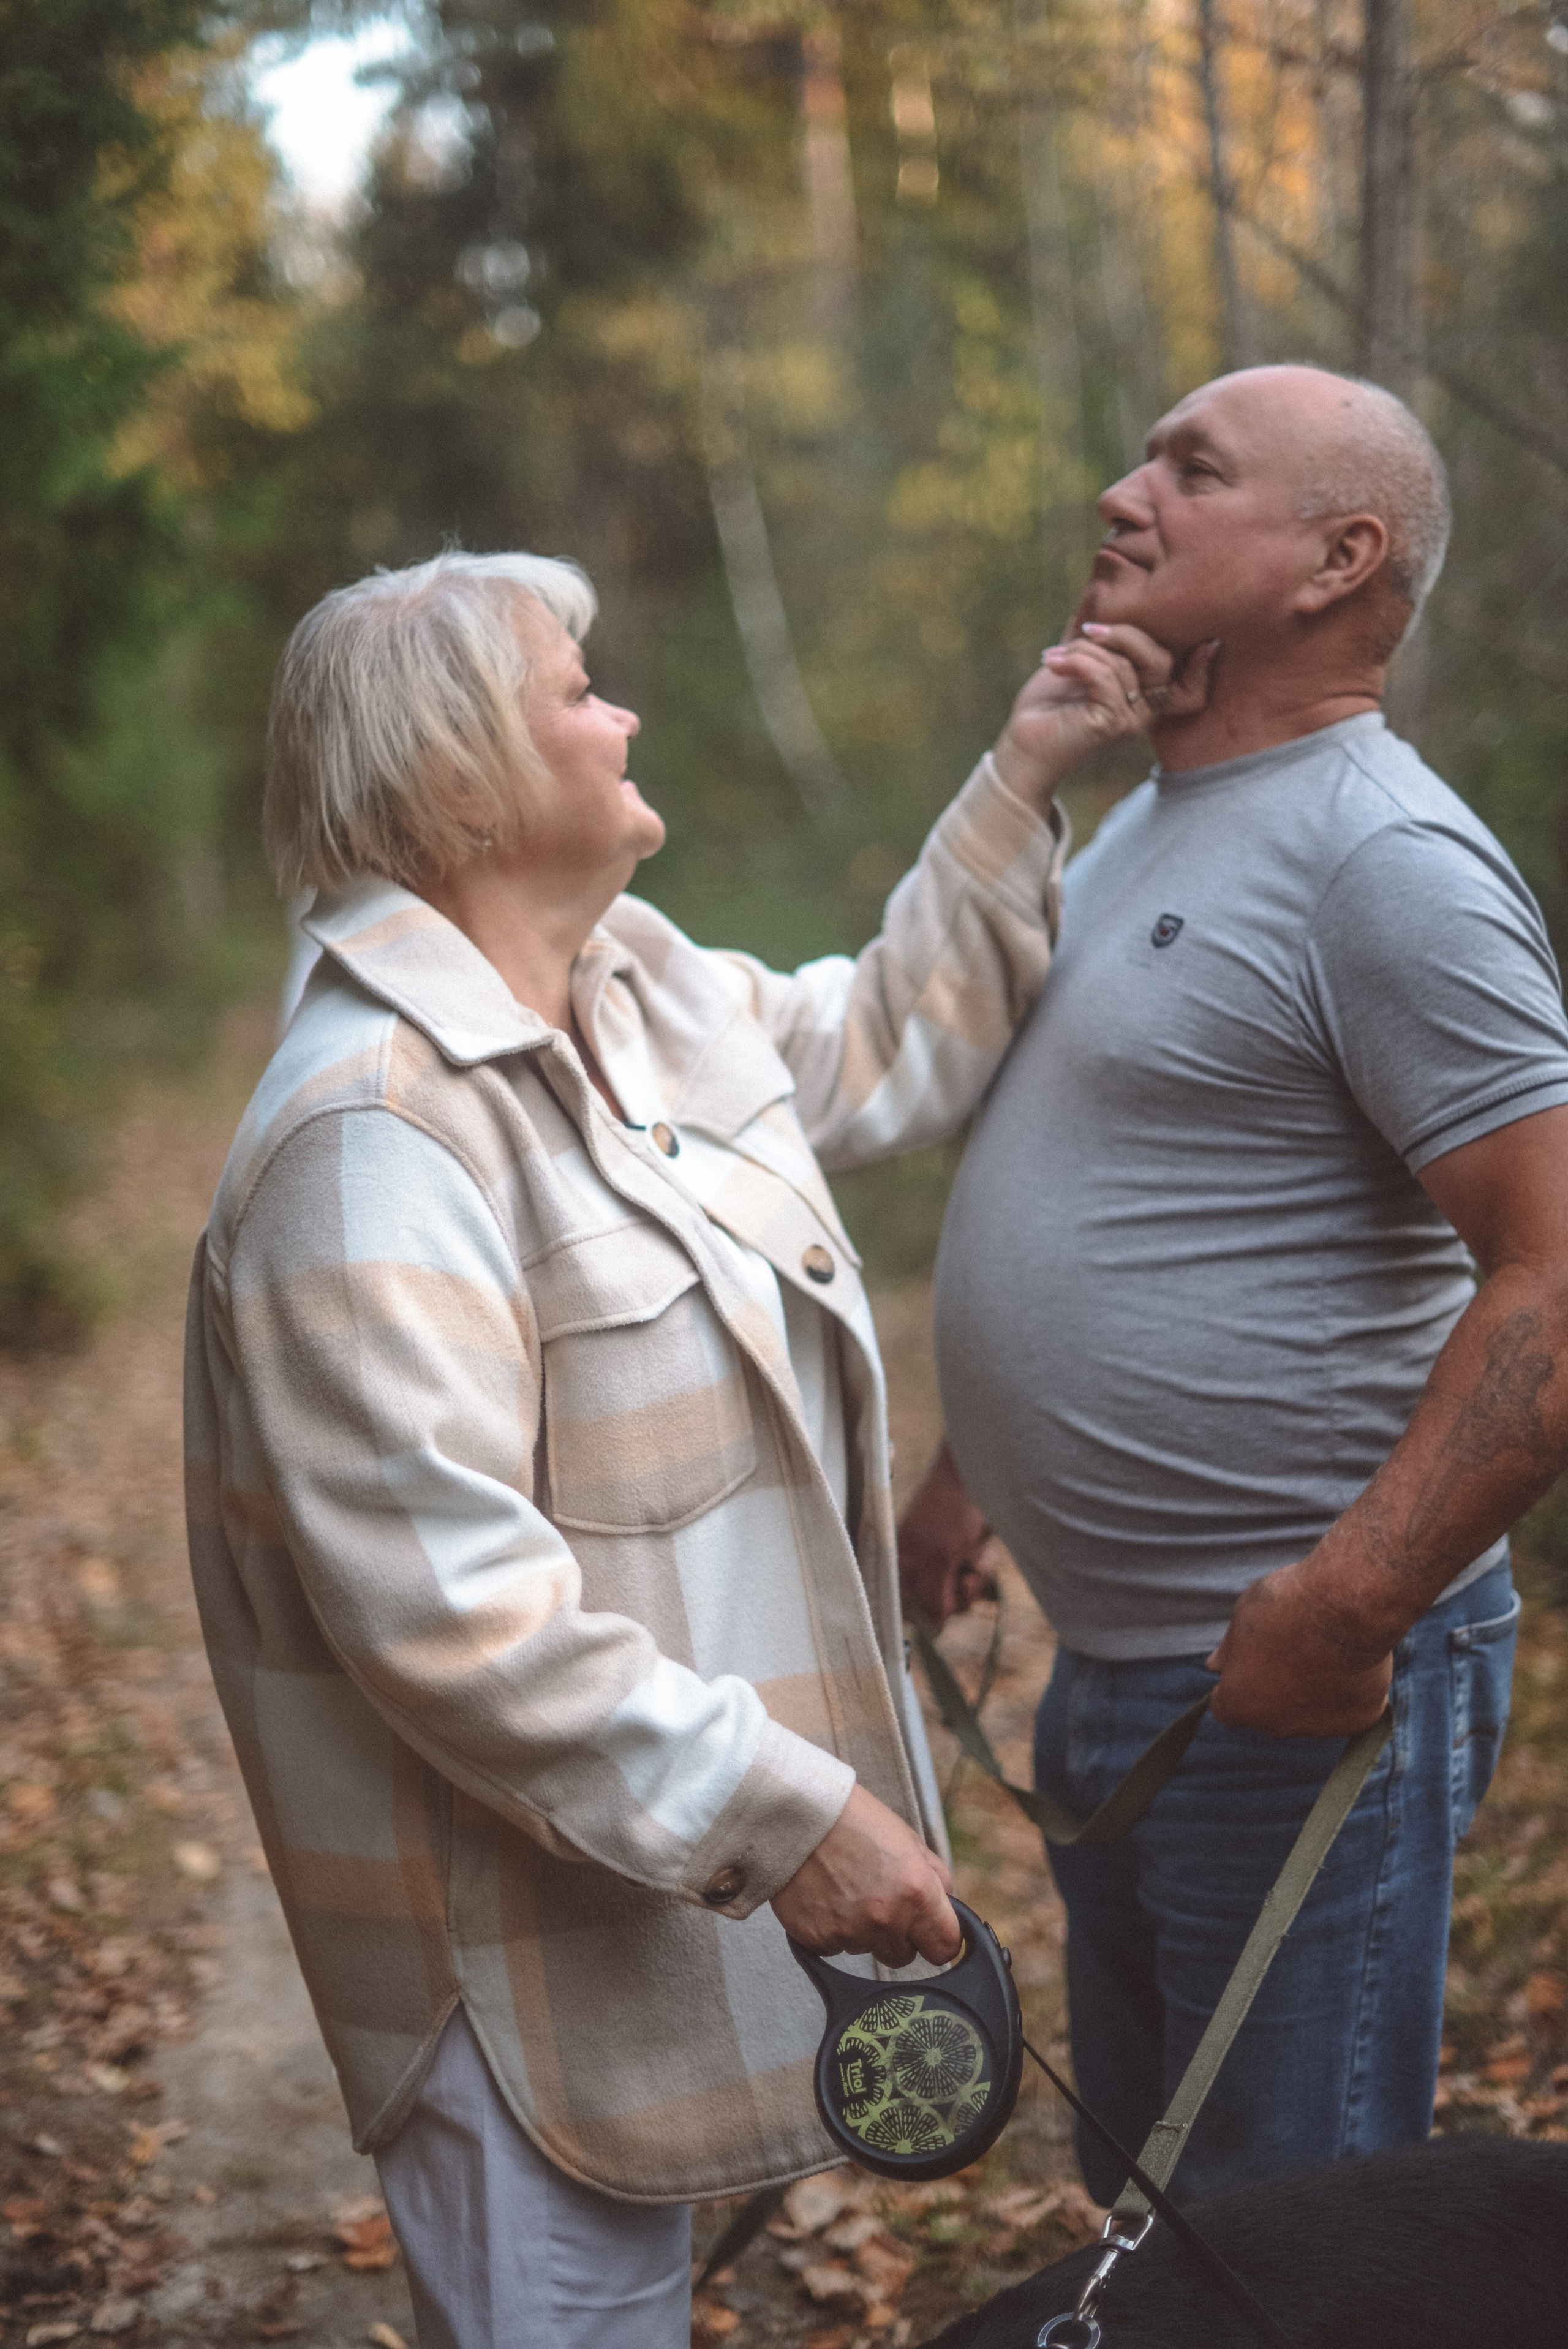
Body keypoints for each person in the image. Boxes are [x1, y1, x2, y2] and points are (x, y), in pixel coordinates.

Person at [183, 549, 1208, 2349]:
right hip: (509, 1969)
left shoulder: (639, 993)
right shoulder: (370, 1135)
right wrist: (793, 1818)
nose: (625, 710)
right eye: (578, 688)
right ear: (457, 782)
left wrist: (1026, 772)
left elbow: (889, 1037)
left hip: (653, 1898)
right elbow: (455, 1613)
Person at [903, 364, 1568, 2204]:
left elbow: (1553, 1278)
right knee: (1157, 2217)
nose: (1124, 495)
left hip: (1302, 1691)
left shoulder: (1388, 858)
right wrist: (974, 1462)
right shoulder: (1153, 813)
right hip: (1130, 1673)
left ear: (1335, 559)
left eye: (1193, 472)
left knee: (1287, 2242)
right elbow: (1133, 1162)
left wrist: (1350, 1602)